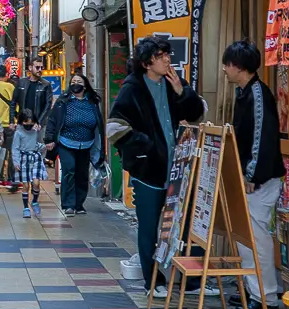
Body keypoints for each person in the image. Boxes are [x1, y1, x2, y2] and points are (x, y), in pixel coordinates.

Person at [111, 37, 205, 287]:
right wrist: (146, 149)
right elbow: (114, 127)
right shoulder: (132, 88)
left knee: (182, 225)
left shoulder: (174, 82)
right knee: (149, 227)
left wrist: (182, 93)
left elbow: (196, 114)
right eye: (161, 55)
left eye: (167, 54)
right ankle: (153, 281)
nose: (167, 59)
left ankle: (188, 280)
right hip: (149, 171)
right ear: (146, 62)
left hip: (178, 169)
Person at [223, 39, 285, 309]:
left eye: (227, 64)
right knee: (248, 238)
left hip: (260, 181)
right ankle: (253, 288)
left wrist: (251, 176)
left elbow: (262, 139)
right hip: (253, 179)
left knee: (257, 238)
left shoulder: (257, 94)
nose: (224, 69)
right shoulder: (245, 91)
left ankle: (266, 296)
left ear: (239, 66)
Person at [44, 71, 103, 216]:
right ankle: (68, 205)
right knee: (69, 171)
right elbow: (52, 120)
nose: (75, 85)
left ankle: (79, 204)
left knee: (82, 174)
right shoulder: (63, 101)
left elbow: (99, 122)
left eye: (79, 82)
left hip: (86, 144)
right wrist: (49, 139)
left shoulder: (92, 102)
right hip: (66, 142)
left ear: (85, 86)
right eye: (73, 82)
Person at [12, 59, 54, 219]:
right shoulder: (21, 83)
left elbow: (47, 106)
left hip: (37, 125)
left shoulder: (45, 85)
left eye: (42, 67)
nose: (40, 69)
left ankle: (34, 198)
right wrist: (12, 120)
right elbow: (13, 102)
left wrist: (39, 122)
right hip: (23, 123)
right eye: (37, 67)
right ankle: (26, 204)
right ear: (30, 68)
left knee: (37, 148)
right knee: (25, 180)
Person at [0, 61, 19, 185]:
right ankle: (11, 178)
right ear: (6, 74)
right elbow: (15, 105)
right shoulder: (11, 87)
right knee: (11, 151)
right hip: (10, 124)